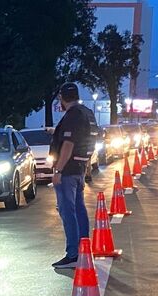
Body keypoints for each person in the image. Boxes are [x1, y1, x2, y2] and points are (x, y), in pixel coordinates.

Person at [49, 83, 97, 269]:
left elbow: (68, 144)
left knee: (67, 211)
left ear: (62, 98)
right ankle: (84, 249)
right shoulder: (87, 113)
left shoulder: (73, 115)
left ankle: (73, 254)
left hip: (68, 170)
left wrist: (58, 171)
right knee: (79, 208)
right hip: (80, 167)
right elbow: (86, 140)